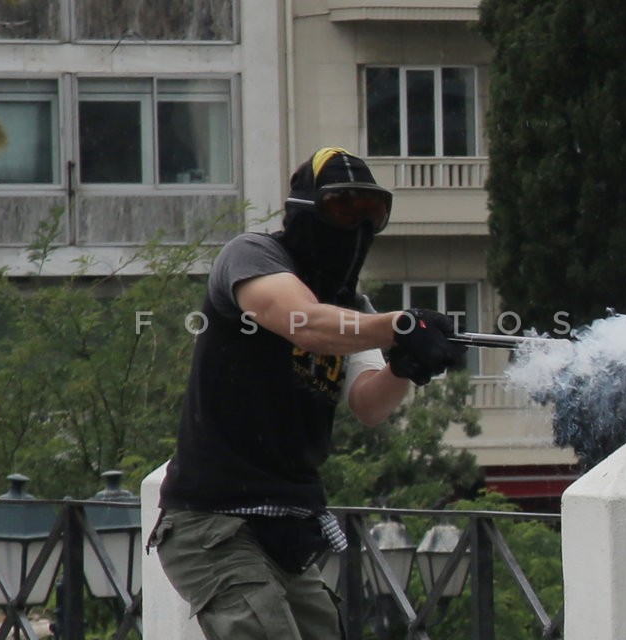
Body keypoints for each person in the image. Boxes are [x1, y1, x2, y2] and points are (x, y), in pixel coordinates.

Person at [149, 147, 464, 639]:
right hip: (211, 524)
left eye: (371, 213)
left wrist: (405, 366)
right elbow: (306, 325)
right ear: (305, 210)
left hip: (286, 531)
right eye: (343, 207)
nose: (356, 226)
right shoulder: (252, 257)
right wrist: (401, 326)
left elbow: (369, 403)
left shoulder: (351, 309)